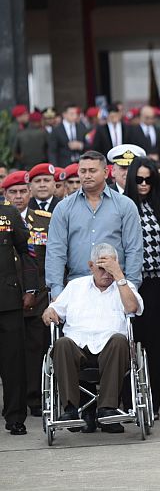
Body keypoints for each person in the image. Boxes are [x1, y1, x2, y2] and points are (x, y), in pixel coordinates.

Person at [42, 243, 143, 434]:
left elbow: (132, 308)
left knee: (119, 340)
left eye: (110, 268)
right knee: (61, 343)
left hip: (111, 352)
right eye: (101, 268)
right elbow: (54, 309)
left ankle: (107, 409)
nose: (106, 273)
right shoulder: (75, 286)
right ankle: (71, 410)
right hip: (78, 349)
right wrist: (49, 311)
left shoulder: (124, 286)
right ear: (91, 266)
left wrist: (119, 276)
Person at [45, 150, 143, 299]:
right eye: (83, 171)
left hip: (115, 285)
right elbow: (55, 251)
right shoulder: (64, 208)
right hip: (76, 286)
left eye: (92, 171)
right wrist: (57, 290)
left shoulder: (125, 205)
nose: (87, 175)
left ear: (105, 172)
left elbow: (134, 249)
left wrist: (131, 286)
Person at [123, 157, 160, 418]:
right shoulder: (123, 205)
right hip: (130, 282)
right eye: (139, 179)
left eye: (149, 179)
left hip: (157, 282)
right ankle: (128, 400)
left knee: (154, 344)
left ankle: (153, 403)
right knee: (128, 341)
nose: (143, 184)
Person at [3, 171, 52, 417]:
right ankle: (13, 402)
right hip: (8, 296)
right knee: (11, 353)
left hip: (38, 295)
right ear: (5, 194)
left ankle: (34, 398)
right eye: (14, 192)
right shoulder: (3, 218)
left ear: (30, 192)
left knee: (35, 350)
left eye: (23, 191)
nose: (19, 196)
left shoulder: (45, 219)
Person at [0, 190, 38, 435]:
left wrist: (31, 288)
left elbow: (28, 250)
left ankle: (15, 416)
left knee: (13, 362)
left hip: (8, 299)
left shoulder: (7, 213)